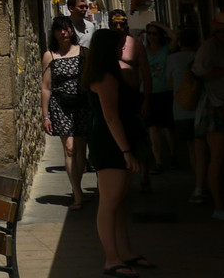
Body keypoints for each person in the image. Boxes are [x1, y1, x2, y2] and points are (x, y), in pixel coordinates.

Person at [82, 28, 155, 277]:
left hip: (115, 141)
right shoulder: (105, 78)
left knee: (117, 202)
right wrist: (126, 151)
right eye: (120, 45)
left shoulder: (108, 72)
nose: (123, 49)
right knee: (109, 204)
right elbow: (111, 117)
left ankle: (125, 252)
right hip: (111, 144)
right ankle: (111, 258)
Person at [192, 9, 224, 222]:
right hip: (215, 106)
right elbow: (199, 71)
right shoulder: (211, 47)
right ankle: (219, 205)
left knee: (223, 156)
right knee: (218, 157)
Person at [41, 15, 88, 209]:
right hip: (60, 105)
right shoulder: (49, 56)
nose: (63, 32)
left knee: (81, 151)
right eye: (59, 29)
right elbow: (45, 87)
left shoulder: (84, 53)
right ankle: (77, 194)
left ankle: (78, 188)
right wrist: (46, 116)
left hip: (82, 103)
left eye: (67, 28)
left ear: (71, 31)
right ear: (53, 33)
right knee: (69, 148)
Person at [110, 9, 152, 190]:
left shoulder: (135, 45)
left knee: (140, 139)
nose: (119, 27)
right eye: (115, 24)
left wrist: (147, 100)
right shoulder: (105, 45)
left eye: (122, 23)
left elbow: (146, 75)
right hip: (113, 98)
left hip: (134, 97)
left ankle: (144, 174)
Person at [166, 26, 208, 204]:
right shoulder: (203, 57)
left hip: (181, 109)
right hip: (205, 108)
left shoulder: (172, 59)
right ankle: (204, 182)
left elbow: (168, 84)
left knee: (193, 149)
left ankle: (199, 183)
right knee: (208, 148)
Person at [141, 21, 178, 172]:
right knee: (153, 128)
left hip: (165, 92)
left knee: (168, 128)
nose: (151, 36)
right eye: (148, 33)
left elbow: (175, 37)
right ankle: (158, 161)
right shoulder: (143, 51)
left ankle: (173, 156)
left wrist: (161, 26)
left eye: (154, 33)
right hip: (149, 92)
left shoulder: (165, 50)